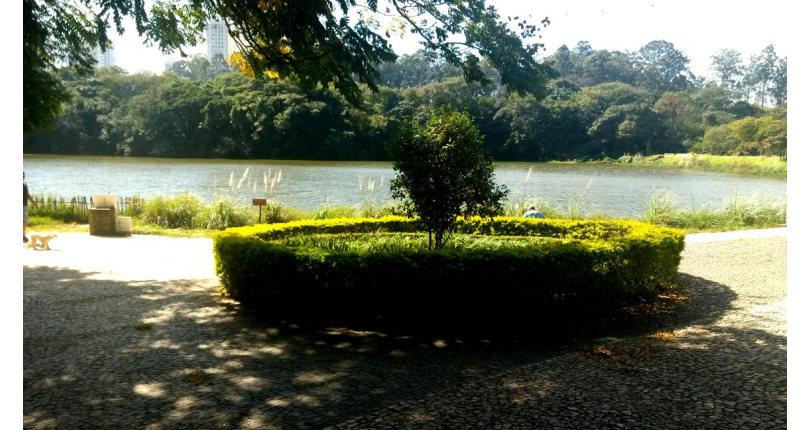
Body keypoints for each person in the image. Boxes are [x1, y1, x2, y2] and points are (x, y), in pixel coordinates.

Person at [24, 171, 39, 243]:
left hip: (24, 205)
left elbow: (28, 195)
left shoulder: (25, 185)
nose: (23, 177)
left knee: (24, 221)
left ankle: (22, 235)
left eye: (23, 176)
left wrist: (34, 203)